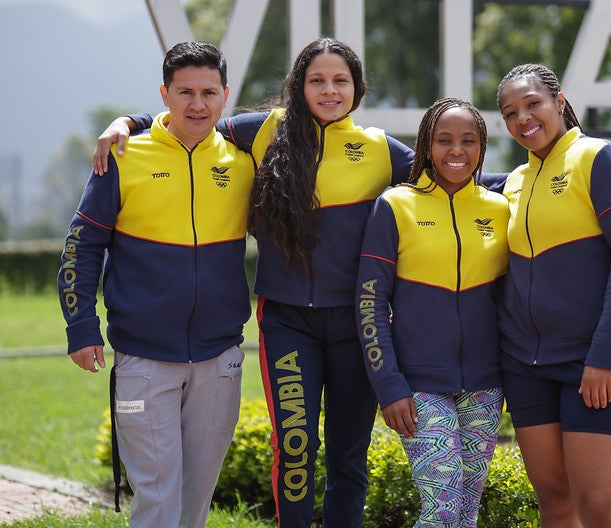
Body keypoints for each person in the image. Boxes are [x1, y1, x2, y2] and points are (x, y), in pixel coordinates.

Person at [93, 37, 416, 528]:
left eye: (340, 80)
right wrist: (129, 122)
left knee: (349, 453)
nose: (329, 90)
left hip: (356, 328)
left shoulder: (380, 149)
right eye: (317, 80)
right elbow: (188, 121)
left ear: (358, 87)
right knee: (295, 447)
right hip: (288, 323)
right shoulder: (265, 130)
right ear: (298, 86)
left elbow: (452, 169)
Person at [60, 42, 255, 528]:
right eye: (185, 92)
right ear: (165, 94)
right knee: (157, 497)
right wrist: (81, 326)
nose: (197, 104)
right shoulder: (123, 155)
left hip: (220, 358)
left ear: (225, 95)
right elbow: (82, 246)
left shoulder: (243, 161)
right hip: (143, 358)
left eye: (209, 92)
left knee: (195, 500)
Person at [495, 63, 611, 528]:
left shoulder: (599, 158)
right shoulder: (513, 182)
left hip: (594, 363)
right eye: (510, 113)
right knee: (556, 503)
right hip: (526, 367)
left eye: (532, 104)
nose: (523, 119)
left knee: (600, 508)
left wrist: (606, 355)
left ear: (559, 101)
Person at [356, 97, 509, 527]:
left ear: (481, 146)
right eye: (444, 140)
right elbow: (369, 302)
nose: (456, 150)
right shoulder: (395, 205)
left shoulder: (500, 210)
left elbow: (510, 300)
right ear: (426, 146)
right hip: (419, 385)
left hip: (485, 386)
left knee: (466, 514)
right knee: (441, 511)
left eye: (468, 140)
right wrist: (389, 385)